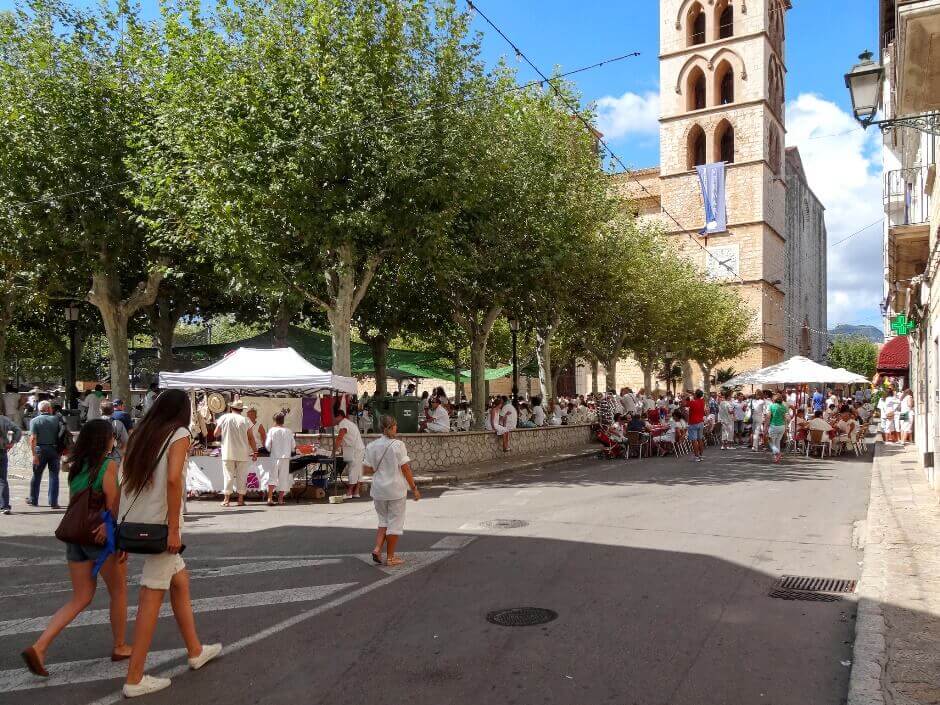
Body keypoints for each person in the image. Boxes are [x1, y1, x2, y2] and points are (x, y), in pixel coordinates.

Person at [119, 389, 221, 697]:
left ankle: (195, 649)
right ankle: (135, 678)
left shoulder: (141, 434)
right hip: (162, 524)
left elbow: (124, 479)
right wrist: (174, 528)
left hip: (137, 520)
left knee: (180, 581)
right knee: (152, 594)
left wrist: (118, 527)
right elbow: (175, 479)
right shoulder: (179, 434)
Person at [20, 419, 132, 677]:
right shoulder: (108, 465)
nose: (113, 440)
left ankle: (40, 646)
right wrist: (117, 536)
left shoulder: (77, 466)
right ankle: (120, 645)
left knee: (80, 597)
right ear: (104, 440)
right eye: (111, 436)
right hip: (99, 537)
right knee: (119, 591)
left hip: (75, 536)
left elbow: (76, 503)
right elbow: (113, 504)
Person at [364, 415, 420, 567]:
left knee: (383, 521)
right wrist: (414, 488)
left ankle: (377, 549)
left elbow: (367, 469)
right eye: (395, 426)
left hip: (378, 490)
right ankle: (390, 557)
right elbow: (405, 468)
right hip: (395, 490)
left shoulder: (371, 446)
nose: (397, 428)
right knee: (394, 523)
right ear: (389, 428)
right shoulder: (398, 445)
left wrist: (377, 468)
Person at [215, 400, 256, 507]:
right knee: (241, 476)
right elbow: (251, 438)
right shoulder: (246, 420)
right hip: (242, 452)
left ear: (231, 408)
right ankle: (240, 500)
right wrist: (255, 451)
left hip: (228, 451)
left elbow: (216, 433)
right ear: (242, 410)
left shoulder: (224, 418)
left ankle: (226, 500)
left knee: (228, 476)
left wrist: (225, 433)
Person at [27, 401, 64, 508]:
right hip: (54, 449)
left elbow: (33, 438)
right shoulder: (56, 419)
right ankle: (53, 502)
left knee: (37, 474)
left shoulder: (34, 421)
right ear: (48, 409)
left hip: (40, 449)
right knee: (54, 476)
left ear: (40, 409)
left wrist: (34, 455)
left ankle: (33, 500)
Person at [334, 406, 366, 499]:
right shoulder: (348, 423)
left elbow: (340, 438)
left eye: (335, 417)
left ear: (339, 416)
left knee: (353, 470)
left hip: (355, 449)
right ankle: (356, 492)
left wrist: (333, 451)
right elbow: (346, 439)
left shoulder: (343, 423)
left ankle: (349, 493)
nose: (334, 420)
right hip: (358, 448)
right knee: (358, 470)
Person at [264, 412, 295, 506]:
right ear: (283, 421)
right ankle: (280, 499)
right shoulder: (289, 431)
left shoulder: (272, 430)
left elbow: (267, 445)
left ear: (274, 420)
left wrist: (270, 450)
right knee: (283, 478)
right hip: (285, 457)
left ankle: (269, 497)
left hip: (274, 456)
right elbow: (293, 446)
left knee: (272, 476)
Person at [0, 409, 23, 515]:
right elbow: (18, 430)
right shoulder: (4, 419)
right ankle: (4, 506)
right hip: (1, 451)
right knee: (2, 479)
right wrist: (12, 442)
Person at [766, 394, 788, 463]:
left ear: (774, 399)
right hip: (782, 426)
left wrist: (766, 426)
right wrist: (786, 427)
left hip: (773, 426)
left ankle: (777, 453)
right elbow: (785, 418)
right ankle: (777, 458)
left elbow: (768, 416)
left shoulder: (771, 406)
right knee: (777, 441)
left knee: (770, 441)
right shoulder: (784, 407)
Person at [686, 390, 706, 462]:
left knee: (694, 441)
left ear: (695, 395)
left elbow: (683, 404)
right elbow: (698, 395)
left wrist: (685, 396)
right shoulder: (702, 401)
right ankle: (700, 456)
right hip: (700, 422)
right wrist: (692, 393)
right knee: (700, 439)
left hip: (693, 423)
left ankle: (696, 456)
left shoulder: (692, 402)